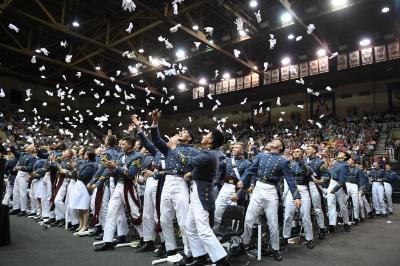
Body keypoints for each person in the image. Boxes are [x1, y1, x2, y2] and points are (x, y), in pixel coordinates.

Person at [169, 128, 230, 266]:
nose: (203, 135)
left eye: (206, 134)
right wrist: (192, 174)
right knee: (189, 226)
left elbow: (187, 162)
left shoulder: (209, 154)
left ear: (210, 140)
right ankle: (200, 257)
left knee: (203, 229)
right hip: (197, 190)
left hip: (202, 193)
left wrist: (173, 148)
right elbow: (201, 168)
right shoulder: (209, 153)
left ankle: (222, 260)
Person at [237, 138, 301, 261]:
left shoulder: (283, 161)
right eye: (273, 140)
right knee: (248, 219)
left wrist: (296, 196)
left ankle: (275, 249)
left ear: (281, 147)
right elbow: (251, 170)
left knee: (273, 223)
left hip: (271, 191)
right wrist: (242, 179)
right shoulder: (261, 156)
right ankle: (244, 244)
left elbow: (290, 180)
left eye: (277, 140)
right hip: (258, 188)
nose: (273, 141)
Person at [150, 109, 197, 264]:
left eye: (184, 132)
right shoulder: (169, 147)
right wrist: (155, 122)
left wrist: (174, 146)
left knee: (183, 219)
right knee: (164, 218)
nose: (180, 132)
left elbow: (189, 164)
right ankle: (170, 249)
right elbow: (156, 140)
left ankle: (188, 251)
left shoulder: (192, 150)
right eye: (180, 131)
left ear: (189, 138)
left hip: (180, 181)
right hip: (167, 180)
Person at [95, 136, 143, 252]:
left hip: (129, 186)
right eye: (120, 144)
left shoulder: (137, 157)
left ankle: (145, 239)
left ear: (130, 145)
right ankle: (108, 241)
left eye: (123, 144)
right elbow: (113, 171)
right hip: (119, 185)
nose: (120, 146)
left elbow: (131, 174)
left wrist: (115, 167)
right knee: (111, 212)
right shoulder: (120, 155)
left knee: (135, 213)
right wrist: (109, 168)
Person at [215, 142, 250, 256]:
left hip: (236, 190)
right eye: (233, 147)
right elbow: (218, 175)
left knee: (235, 219)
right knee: (217, 212)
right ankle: (217, 237)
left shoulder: (247, 163)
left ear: (243, 149)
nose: (233, 148)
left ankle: (236, 244)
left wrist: (239, 194)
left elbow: (246, 183)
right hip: (225, 187)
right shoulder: (227, 161)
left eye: (236, 147)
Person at [283, 147, 314, 249]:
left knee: (306, 216)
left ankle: (309, 238)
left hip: (303, 189)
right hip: (292, 189)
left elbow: (308, 173)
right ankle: (285, 236)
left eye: (298, 152)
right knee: (288, 215)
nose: (295, 153)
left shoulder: (307, 164)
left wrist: (301, 163)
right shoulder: (288, 163)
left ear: (302, 153)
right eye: (294, 151)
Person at [304, 144, 329, 239]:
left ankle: (322, 229)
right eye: (306, 149)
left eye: (308, 149)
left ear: (314, 151)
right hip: (303, 186)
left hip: (313, 185)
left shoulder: (319, 162)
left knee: (317, 209)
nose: (306, 151)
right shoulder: (303, 161)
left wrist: (320, 181)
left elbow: (326, 175)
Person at [9, 143, 37, 216]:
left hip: (25, 174)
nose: (26, 146)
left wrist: (21, 167)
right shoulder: (23, 154)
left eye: (28, 146)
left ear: (31, 149)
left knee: (22, 193)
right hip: (19, 174)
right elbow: (15, 152)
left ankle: (23, 209)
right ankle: (16, 208)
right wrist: (11, 146)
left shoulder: (33, 157)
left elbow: (31, 168)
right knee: (15, 191)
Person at [327, 151, 351, 233]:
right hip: (332, 182)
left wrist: (335, 189)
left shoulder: (344, 166)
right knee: (331, 205)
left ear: (344, 157)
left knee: (342, 206)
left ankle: (346, 223)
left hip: (339, 186)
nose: (339, 153)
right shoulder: (336, 163)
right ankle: (332, 224)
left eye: (341, 153)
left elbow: (342, 181)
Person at [346, 157, 362, 225]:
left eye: (349, 160)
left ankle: (356, 219)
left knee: (356, 203)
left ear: (353, 161)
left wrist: (360, 189)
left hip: (354, 185)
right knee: (344, 201)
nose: (348, 161)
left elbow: (360, 180)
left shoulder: (358, 170)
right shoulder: (346, 168)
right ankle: (343, 218)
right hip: (346, 184)